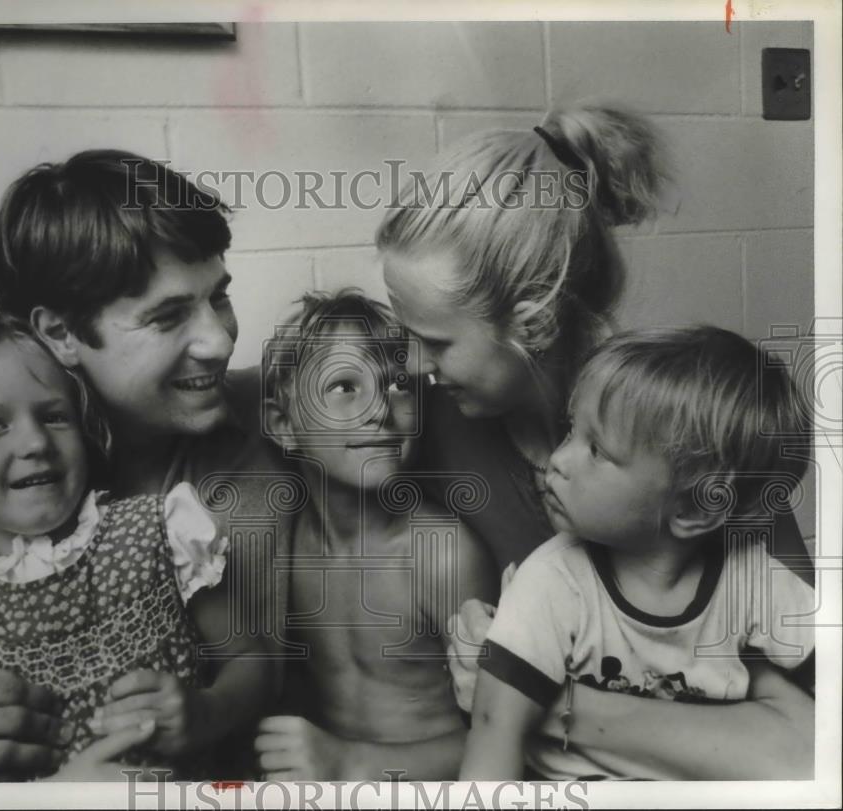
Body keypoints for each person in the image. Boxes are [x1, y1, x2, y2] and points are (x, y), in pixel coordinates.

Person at [375, 101, 814, 778]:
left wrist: (526, 696)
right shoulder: (427, 416)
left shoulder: (682, 435)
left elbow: (798, 746)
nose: (407, 367)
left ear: (535, 322)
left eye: (434, 341)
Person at [0, 150, 282, 781]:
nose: (221, 342)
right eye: (168, 316)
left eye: (219, 298)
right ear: (61, 333)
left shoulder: (277, 413)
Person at [0, 312, 237, 778]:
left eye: (54, 416)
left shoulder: (158, 533)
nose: (35, 441)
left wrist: (209, 711)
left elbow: (252, 660)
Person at [460, 327, 815, 780]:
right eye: (571, 430)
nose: (559, 460)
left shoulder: (752, 581)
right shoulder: (551, 581)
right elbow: (494, 728)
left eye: (596, 450)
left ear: (693, 508)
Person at [253, 291, 498, 780]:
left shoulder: (440, 554)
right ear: (284, 425)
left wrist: (353, 765)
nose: (382, 408)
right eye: (345, 385)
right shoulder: (284, 548)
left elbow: (507, 732)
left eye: (398, 384)